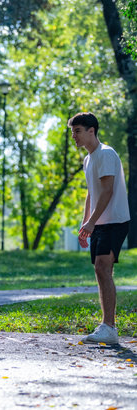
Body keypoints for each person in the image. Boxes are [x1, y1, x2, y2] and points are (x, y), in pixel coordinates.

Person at [68, 112, 130, 344]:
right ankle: (107, 325)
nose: (74, 136)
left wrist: (92, 221)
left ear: (91, 131)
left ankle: (109, 327)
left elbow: (107, 191)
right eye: (73, 132)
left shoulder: (105, 154)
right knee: (100, 270)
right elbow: (91, 193)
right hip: (100, 222)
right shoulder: (88, 159)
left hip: (114, 220)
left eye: (78, 131)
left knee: (103, 268)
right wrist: (86, 223)